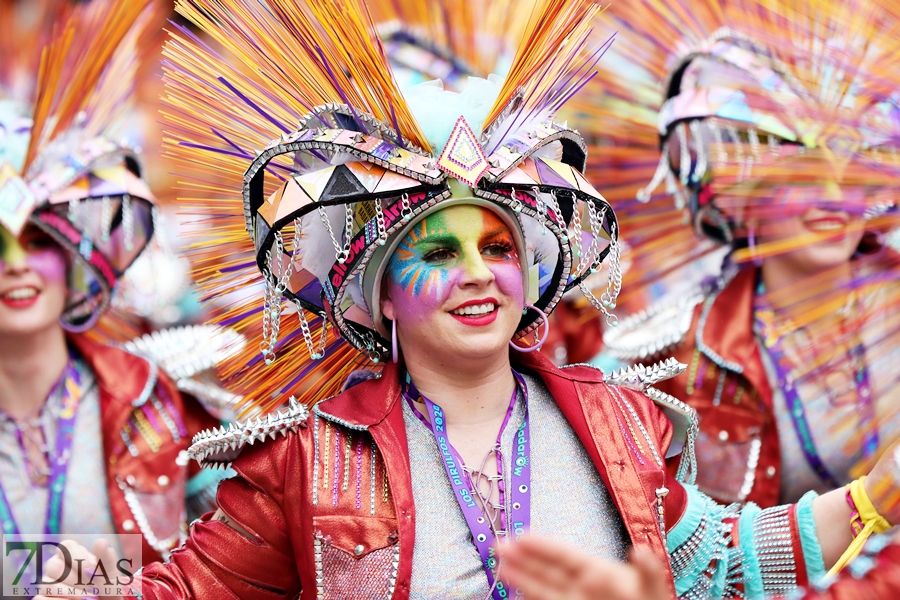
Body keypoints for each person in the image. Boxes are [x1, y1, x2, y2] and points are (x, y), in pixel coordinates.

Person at [32, 0, 900, 599]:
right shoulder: (302, 460)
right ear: (374, 296)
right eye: (435, 253)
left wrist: (874, 497)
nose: (479, 273)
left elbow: (725, 564)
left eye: (498, 247)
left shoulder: (619, 421)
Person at [599, 0, 900, 508]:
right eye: (802, 174)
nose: (833, 194)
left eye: (852, 171)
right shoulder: (673, 356)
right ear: (744, 197)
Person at [0, 0, 225, 564]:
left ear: (77, 254)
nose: (18, 265)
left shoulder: (149, 399)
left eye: (37, 241)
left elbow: (223, 562)